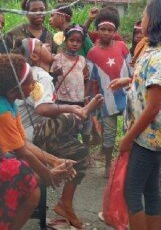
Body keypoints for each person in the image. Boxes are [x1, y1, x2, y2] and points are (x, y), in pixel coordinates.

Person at [0, 54, 74, 229]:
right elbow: (22, 152)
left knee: (33, 189)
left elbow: (22, 143)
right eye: (30, 83)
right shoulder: (0, 111)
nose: (35, 85)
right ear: (14, 91)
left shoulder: (9, 104)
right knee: (31, 181)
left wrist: (55, 161)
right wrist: (47, 174)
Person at [110, 0, 161, 229]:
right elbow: (149, 85)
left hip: (148, 137)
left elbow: (153, 106)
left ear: (155, 20)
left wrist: (128, 138)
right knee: (151, 191)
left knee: (132, 192)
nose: (141, 20)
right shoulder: (153, 52)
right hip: (153, 136)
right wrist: (129, 79)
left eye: (144, 15)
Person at [16, 38, 103, 228]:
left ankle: (65, 205)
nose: (47, 45)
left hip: (37, 133)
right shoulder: (40, 75)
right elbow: (42, 109)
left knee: (81, 154)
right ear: (34, 55)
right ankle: (82, 114)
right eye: (41, 45)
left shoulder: (39, 74)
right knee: (67, 117)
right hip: (29, 137)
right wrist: (72, 109)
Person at [86, 8, 132, 176]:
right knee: (109, 135)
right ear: (97, 30)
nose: (106, 33)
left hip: (128, 97)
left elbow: (132, 68)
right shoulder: (92, 53)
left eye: (110, 30)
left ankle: (125, 165)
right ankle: (107, 165)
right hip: (107, 100)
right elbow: (91, 79)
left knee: (129, 131)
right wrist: (90, 100)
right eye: (102, 29)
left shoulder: (122, 46)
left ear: (115, 31)